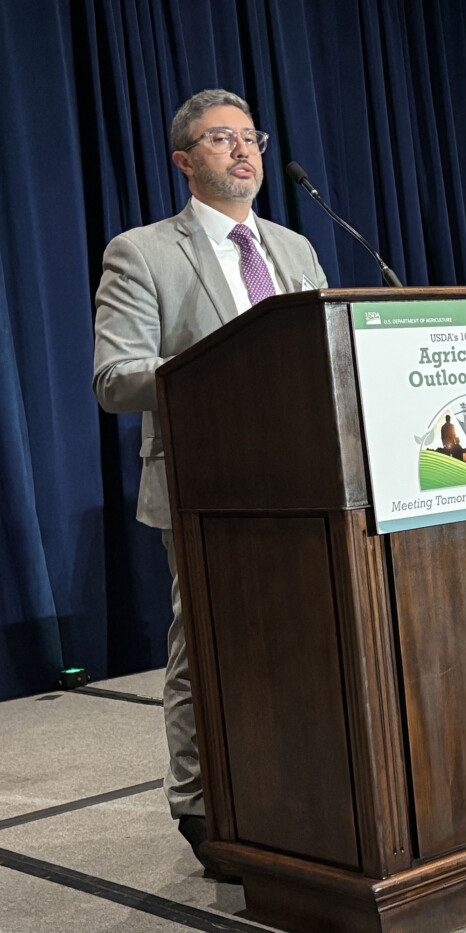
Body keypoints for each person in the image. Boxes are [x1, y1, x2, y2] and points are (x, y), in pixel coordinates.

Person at [91, 89, 327, 878]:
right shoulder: (143, 251)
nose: (243, 149)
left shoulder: (294, 248)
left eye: (251, 136)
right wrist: (224, 368)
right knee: (205, 644)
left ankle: (296, 780)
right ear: (184, 161)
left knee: (307, 638)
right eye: (221, 138)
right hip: (208, 482)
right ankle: (198, 802)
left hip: (311, 475)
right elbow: (115, 377)